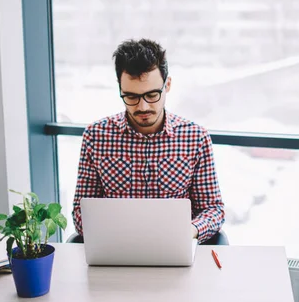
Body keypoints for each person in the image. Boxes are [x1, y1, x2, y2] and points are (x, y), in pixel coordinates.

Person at [72, 38, 226, 245]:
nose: (143, 107)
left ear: (167, 85)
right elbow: (82, 212)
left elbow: (213, 209)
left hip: (174, 247)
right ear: (120, 89)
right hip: (116, 248)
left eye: (152, 94)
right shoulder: (95, 136)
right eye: (131, 97)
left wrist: (189, 231)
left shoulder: (195, 138)